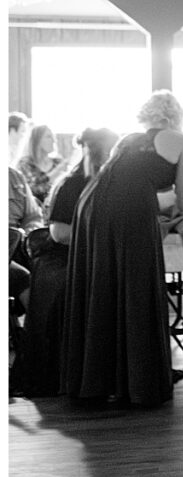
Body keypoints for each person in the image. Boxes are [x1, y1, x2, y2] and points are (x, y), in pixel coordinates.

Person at [63, 91, 183, 407]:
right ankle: (139, 381)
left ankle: (99, 379)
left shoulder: (128, 139)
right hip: (129, 214)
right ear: (175, 116)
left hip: (92, 208)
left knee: (104, 287)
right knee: (137, 287)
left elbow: (129, 179)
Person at [18, 127, 118, 397]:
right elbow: (60, 233)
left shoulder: (109, 182)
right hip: (63, 258)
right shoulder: (72, 184)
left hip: (89, 256)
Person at [9, 166, 44, 314]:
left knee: (48, 274)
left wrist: (26, 234)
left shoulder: (14, 177)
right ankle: (36, 332)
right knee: (22, 278)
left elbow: (33, 217)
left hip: (19, 245)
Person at [18, 124, 73, 204]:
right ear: (37, 140)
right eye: (48, 137)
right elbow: (32, 191)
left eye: (53, 136)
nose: (54, 140)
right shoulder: (25, 164)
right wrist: (55, 173)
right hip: (33, 212)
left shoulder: (58, 162)